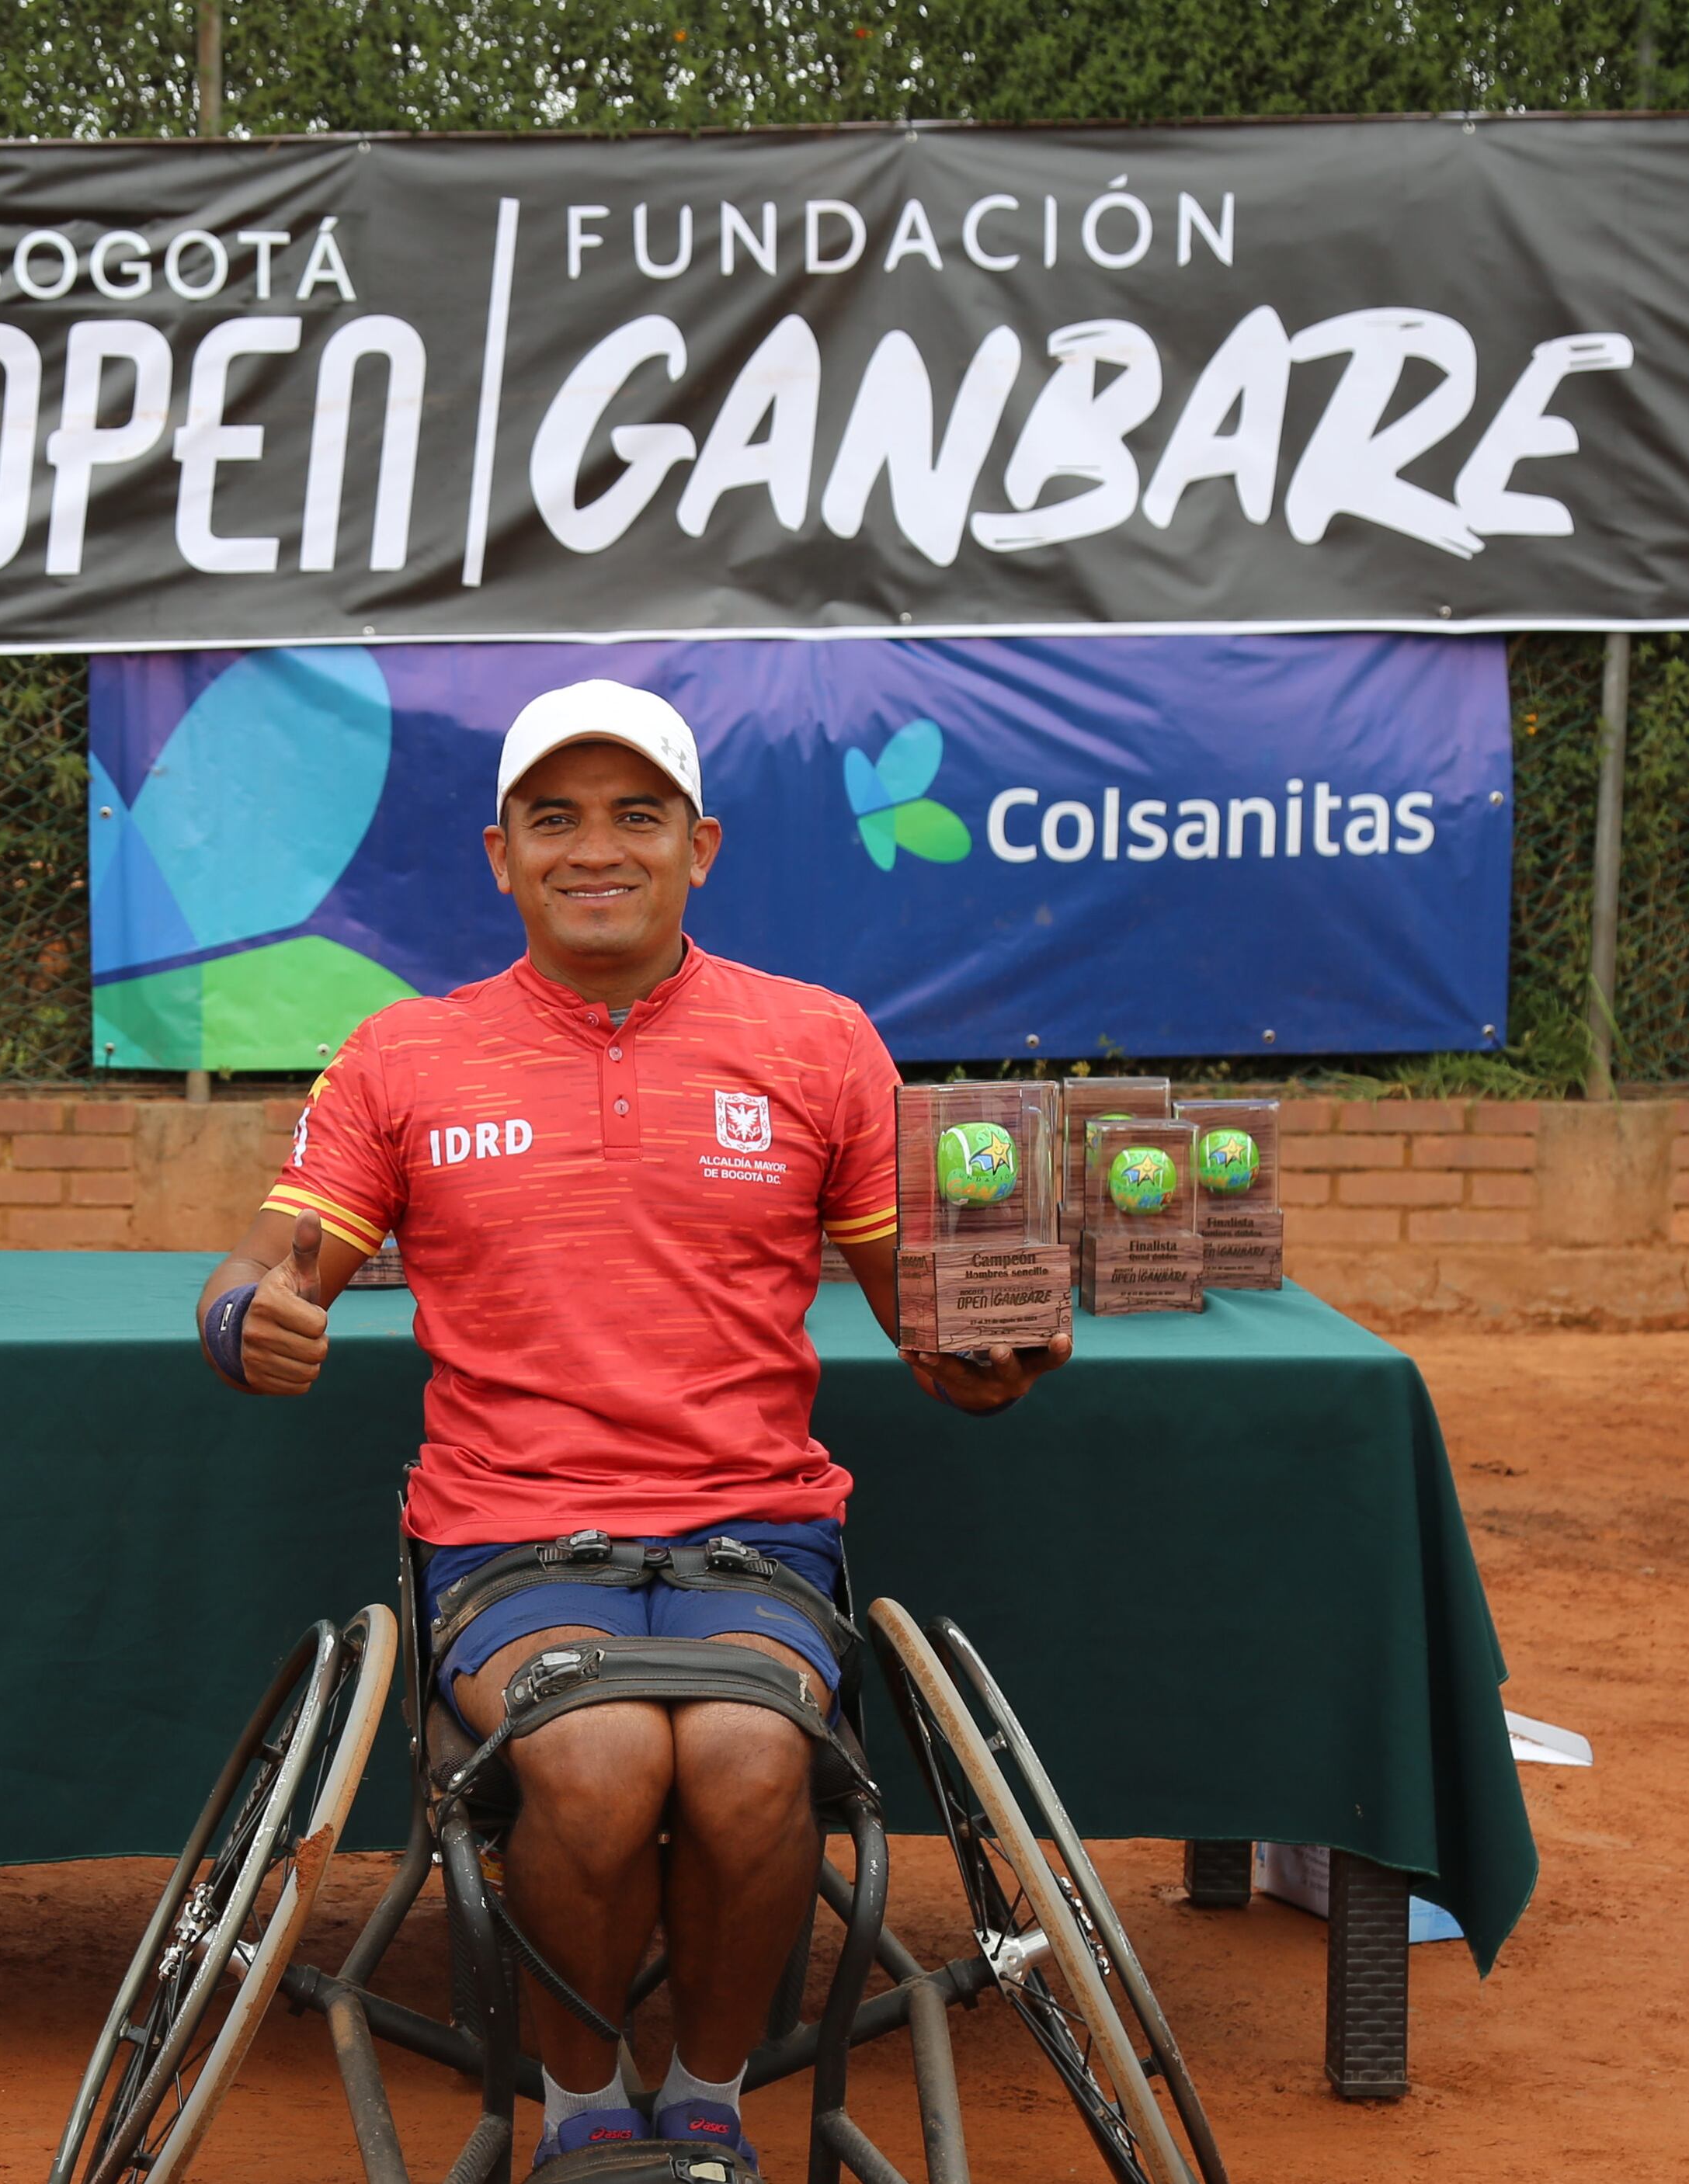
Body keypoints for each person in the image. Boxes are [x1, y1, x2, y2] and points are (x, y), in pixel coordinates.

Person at [193, 679, 1067, 2179]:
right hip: (510, 1530)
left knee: (745, 1759)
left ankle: (711, 2101)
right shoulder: (404, 1055)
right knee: (594, 1761)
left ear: (699, 846)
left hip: (756, 1530)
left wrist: (989, 1354)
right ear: (500, 855)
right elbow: (264, 1264)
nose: (596, 848)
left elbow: (933, 1325)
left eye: (636, 815)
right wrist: (244, 1321)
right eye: (555, 818)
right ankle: (592, 2110)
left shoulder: (820, 1043)